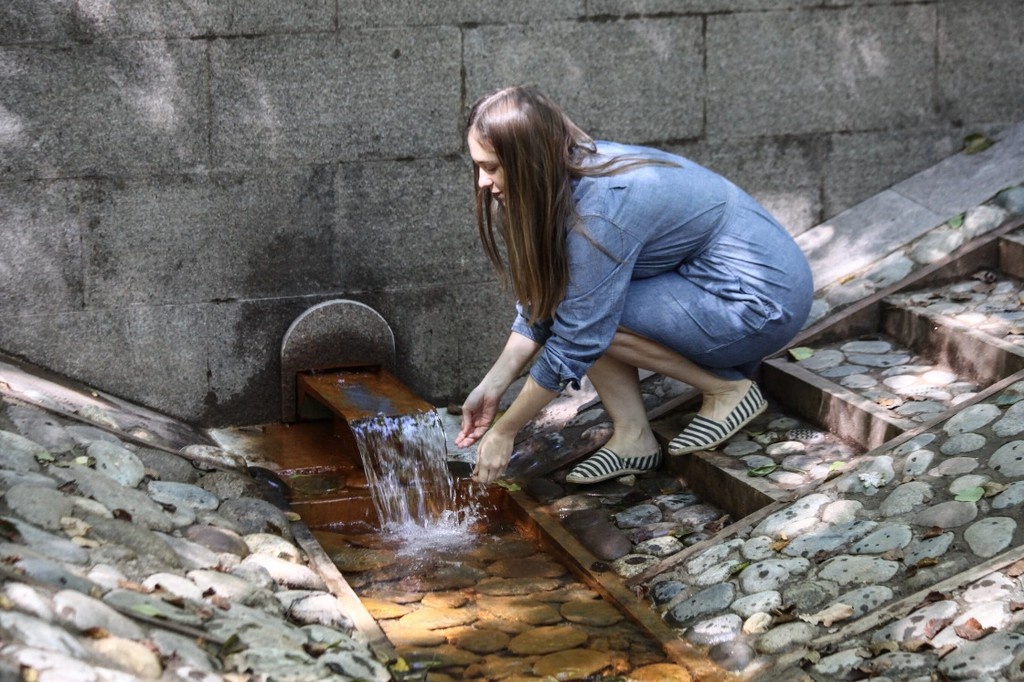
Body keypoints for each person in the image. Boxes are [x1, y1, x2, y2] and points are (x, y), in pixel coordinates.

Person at [455, 85, 813, 485]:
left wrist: (506, 430)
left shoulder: (599, 212)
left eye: (492, 167)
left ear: (528, 161)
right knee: (581, 305)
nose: (483, 182)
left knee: (586, 316)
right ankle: (634, 439)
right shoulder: (569, 167)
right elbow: (544, 298)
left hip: (758, 302)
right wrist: (493, 384)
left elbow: (578, 334)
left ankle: (726, 391)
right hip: (712, 283)